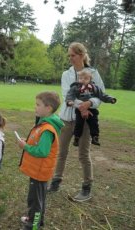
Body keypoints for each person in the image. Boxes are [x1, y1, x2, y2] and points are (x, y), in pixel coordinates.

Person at [47, 42, 106, 202]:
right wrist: (83, 106)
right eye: (69, 55)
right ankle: (56, 182)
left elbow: (100, 94)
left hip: (86, 121)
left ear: (81, 55)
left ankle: (87, 188)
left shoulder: (93, 73)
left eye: (72, 55)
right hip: (66, 119)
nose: (70, 58)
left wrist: (90, 104)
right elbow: (68, 95)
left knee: (83, 154)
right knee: (61, 152)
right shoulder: (66, 74)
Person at [17, 91, 63, 230]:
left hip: (40, 171)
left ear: (48, 108)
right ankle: (36, 220)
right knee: (38, 198)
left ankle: (33, 225)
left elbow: (43, 151)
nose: (35, 107)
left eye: (38, 105)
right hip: (39, 170)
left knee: (35, 201)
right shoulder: (44, 125)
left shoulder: (47, 129)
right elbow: (38, 143)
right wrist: (28, 143)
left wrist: (26, 147)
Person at [66, 68, 117, 146]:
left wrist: (110, 99)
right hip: (80, 108)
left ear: (90, 79)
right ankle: (76, 138)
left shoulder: (94, 87)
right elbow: (70, 95)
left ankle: (95, 137)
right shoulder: (75, 87)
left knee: (94, 122)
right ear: (78, 79)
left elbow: (102, 95)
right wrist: (69, 101)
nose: (83, 80)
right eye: (81, 78)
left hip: (92, 108)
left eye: (86, 78)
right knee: (79, 123)